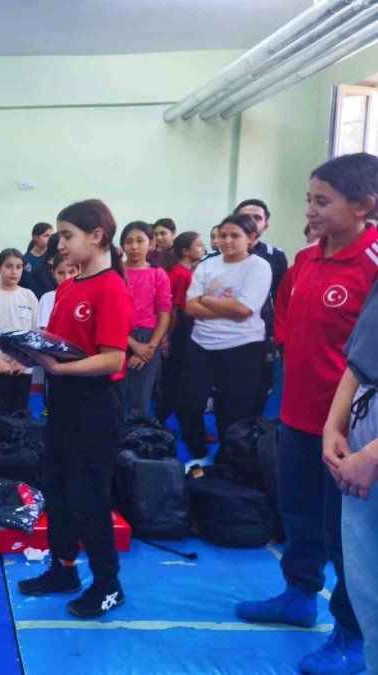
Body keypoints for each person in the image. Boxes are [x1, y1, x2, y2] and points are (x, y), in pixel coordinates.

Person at [236, 153, 378, 674]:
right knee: (297, 513)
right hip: (296, 415)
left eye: (323, 201)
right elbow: (289, 326)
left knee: (348, 537)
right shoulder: (304, 259)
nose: (311, 210)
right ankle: (298, 595)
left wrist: (343, 427)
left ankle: (352, 633)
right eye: (309, 199)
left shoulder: (373, 264)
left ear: (363, 206)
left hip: (349, 430)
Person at [18, 199, 133, 618]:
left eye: (67, 235)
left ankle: (108, 583)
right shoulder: (68, 287)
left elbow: (113, 359)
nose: (60, 244)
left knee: (89, 495)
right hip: (62, 401)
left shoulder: (111, 288)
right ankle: (63, 568)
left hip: (94, 405)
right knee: (58, 489)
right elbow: (59, 345)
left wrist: (58, 369)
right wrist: (23, 347)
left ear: (97, 236)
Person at [175, 214, 271, 458]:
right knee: (188, 403)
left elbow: (243, 310)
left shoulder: (258, 267)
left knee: (232, 411)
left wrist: (205, 299)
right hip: (202, 343)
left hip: (243, 345)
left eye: (235, 236)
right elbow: (189, 306)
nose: (226, 241)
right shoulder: (207, 265)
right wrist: (226, 306)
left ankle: (228, 461)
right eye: (222, 235)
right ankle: (198, 451)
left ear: (252, 238)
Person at [323, 283, 378, 675]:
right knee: (368, 592)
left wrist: (375, 452)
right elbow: (360, 357)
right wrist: (334, 424)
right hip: (363, 421)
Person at [234, 199, 289, 416]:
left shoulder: (276, 256)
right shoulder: (218, 255)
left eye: (257, 218)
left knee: (260, 385)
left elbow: (281, 299)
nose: (251, 221)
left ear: (266, 224)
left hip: (262, 329)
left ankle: (253, 428)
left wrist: (280, 335)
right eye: (245, 216)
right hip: (226, 330)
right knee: (228, 387)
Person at [0, 248, 39, 415]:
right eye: (8, 266)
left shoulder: (29, 296)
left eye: (18, 267)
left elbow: (36, 334)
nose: (14, 271)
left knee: (20, 414)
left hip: (23, 367)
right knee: (0, 414)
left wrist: (24, 361)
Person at [120, 221, 171, 417]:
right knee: (115, 396)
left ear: (151, 244)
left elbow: (164, 313)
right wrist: (133, 345)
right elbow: (107, 314)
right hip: (117, 336)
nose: (134, 246)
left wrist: (149, 349)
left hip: (149, 338)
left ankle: (137, 434)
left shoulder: (158, 274)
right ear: (122, 246)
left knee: (140, 400)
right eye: (129, 241)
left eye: (140, 241)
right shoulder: (115, 273)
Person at [156, 231, 206, 424]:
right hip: (180, 332)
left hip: (184, 330)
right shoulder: (181, 274)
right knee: (175, 378)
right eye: (199, 245)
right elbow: (172, 308)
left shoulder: (186, 272)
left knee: (177, 379)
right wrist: (166, 337)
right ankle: (160, 419)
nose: (203, 248)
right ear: (185, 251)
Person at [37, 253, 78, 330]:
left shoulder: (84, 297)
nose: (66, 277)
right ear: (53, 273)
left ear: (79, 272)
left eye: (71, 272)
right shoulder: (47, 298)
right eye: (61, 273)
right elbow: (44, 330)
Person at [20, 222, 53, 298]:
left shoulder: (51, 258)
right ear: (36, 237)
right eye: (46, 236)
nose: (50, 239)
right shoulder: (24, 259)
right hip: (29, 300)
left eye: (51, 236)